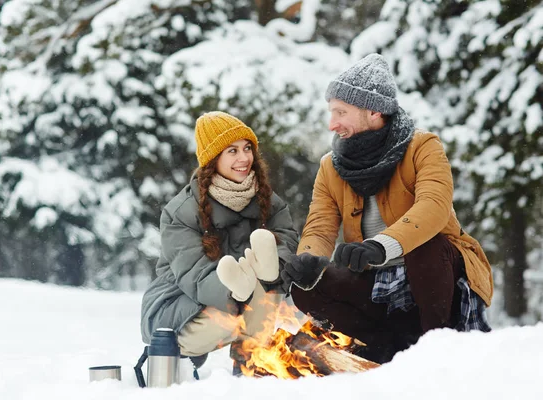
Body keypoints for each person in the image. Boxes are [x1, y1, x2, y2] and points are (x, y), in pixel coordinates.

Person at [280, 53, 493, 364]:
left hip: (434, 271)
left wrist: (381, 246)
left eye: (341, 112)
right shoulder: (330, 166)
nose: (332, 124)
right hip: (373, 278)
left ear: (374, 111)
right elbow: (320, 224)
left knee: (426, 247)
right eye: (331, 112)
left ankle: (436, 350)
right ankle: (381, 348)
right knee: (307, 287)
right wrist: (309, 258)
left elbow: (434, 207)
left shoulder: (423, 147)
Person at [140, 111, 298, 375]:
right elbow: (194, 274)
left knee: (264, 285)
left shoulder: (266, 198)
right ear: (214, 159)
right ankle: (178, 352)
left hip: (247, 299)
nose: (244, 158)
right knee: (232, 319)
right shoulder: (180, 211)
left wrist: (275, 267)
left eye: (247, 148)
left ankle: (252, 365)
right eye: (232, 151)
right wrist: (234, 291)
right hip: (182, 304)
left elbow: (286, 235)